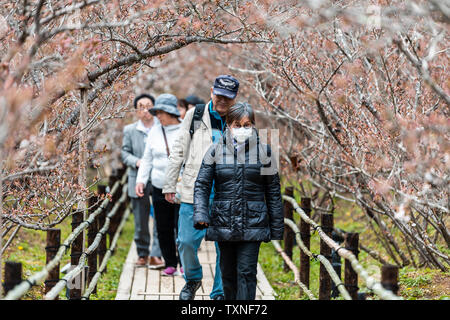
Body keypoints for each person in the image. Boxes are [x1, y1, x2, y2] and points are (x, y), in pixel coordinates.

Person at [193, 102, 284, 300]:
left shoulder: (265, 152)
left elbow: (273, 191)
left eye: (247, 124)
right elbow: (202, 185)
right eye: (237, 125)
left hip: (253, 222)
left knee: (247, 272)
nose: (242, 129)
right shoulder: (215, 151)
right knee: (227, 273)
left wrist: (276, 227)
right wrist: (201, 214)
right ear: (228, 125)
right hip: (223, 222)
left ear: (253, 125)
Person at [163, 75, 240, 300]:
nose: (222, 100)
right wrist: (169, 184)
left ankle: (219, 292)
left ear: (234, 99)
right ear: (211, 91)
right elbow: (178, 150)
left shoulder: (239, 119)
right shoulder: (195, 115)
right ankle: (193, 279)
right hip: (193, 192)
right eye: (219, 95)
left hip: (226, 195)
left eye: (228, 97)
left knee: (224, 249)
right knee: (186, 242)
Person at [136, 93, 183, 276]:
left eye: (161, 113)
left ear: (170, 112)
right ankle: (170, 262)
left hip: (179, 189)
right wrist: (141, 180)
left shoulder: (184, 131)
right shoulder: (156, 131)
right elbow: (147, 159)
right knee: (162, 227)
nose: (158, 117)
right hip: (158, 187)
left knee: (181, 228)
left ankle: (184, 263)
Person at [121, 93, 164, 268]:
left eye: (148, 106)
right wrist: (137, 162)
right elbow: (124, 153)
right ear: (136, 111)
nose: (145, 110)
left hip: (159, 177)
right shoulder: (130, 130)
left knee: (161, 218)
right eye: (141, 107)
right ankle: (142, 253)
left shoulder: (162, 128)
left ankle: (156, 254)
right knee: (140, 220)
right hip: (137, 178)